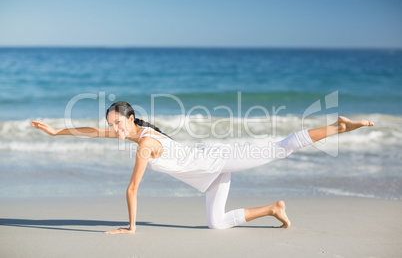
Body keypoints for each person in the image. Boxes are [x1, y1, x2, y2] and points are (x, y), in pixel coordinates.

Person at [30, 101, 374, 234]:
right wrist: (59, 130)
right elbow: (96, 133)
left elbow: (132, 188)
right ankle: (274, 208)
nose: (114, 130)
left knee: (280, 149)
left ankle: (339, 126)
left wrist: (132, 228)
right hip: (209, 172)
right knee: (216, 224)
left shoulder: (146, 144)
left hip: (218, 159)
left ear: (130, 119)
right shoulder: (137, 134)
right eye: (112, 125)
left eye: (118, 124)